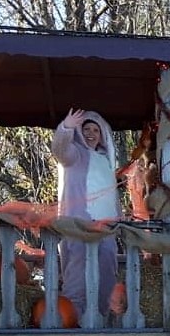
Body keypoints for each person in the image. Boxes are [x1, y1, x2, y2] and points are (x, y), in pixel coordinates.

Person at [51, 108, 121, 319]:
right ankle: (74, 318)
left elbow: (112, 196)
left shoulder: (106, 161)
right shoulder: (75, 155)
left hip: (106, 228)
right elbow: (59, 150)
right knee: (77, 273)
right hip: (80, 226)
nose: (91, 133)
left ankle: (100, 317)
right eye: (86, 129)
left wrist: (120, 221)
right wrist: (66, 128)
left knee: (107, 271)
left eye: (95, 130)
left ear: (102, 135)